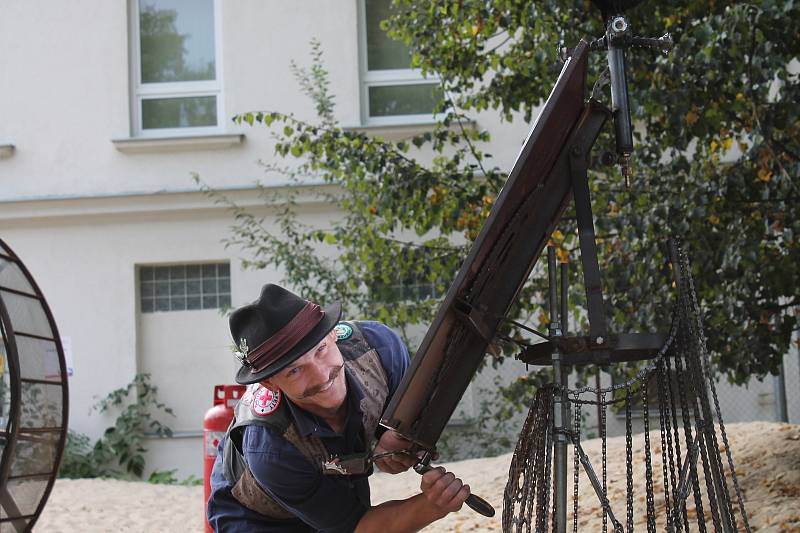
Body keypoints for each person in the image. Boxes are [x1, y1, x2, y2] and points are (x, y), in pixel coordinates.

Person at [207, 283, 471, 532]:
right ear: (269, 383)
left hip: (330, 478)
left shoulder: (380, 350)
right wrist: (431, 506)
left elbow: (414, 412)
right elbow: (355, 528)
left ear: (332, 333)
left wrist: (390, 434)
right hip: (258, 516)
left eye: (320, 350)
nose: (321, 376)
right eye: (295, 370)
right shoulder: (270, 449)